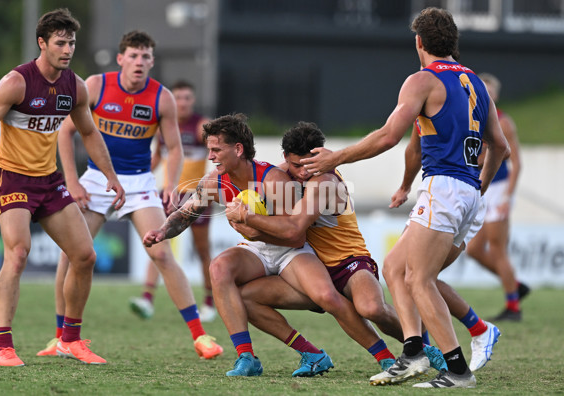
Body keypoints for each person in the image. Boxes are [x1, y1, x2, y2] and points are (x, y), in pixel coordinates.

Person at [301, 7, 509, 388]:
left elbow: (387, 136)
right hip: (466, 193)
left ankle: (457, 370)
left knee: (419, 279)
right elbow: (501, 146)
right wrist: (479, 185)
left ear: (419, 43)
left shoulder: (422, 80)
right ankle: (413, 352)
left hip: (444, 187)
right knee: (396, 268)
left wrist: (336, 157)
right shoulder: (476, 83)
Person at [143, 114, 393, 378]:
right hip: (259, 249)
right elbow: (185, 214)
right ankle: (253, 357)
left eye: (216, 150)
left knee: (327, 297)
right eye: (210, 150)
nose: (211, 157)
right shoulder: (213, 181)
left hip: (291, 251)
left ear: (238, 149)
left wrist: (250, 224)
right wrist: (162, 232)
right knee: (220, 268)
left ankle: (387, 358)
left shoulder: (273, 179)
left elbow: (294, 236)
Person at [35, 30, 223, 361]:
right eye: (133, 56)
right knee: (72, 255)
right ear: (121, 59)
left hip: (139, 184)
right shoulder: (96, 85)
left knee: (162, 255)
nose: (139, 62)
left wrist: (170, 184)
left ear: (152, 61)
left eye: (146, 57)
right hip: (95, 182)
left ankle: (200, 336)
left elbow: (175, 147)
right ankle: (59, 338)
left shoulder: (161, 97)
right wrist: (73, 182)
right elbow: (65, 133)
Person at [0, 8, 125, 367]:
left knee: (85, 256)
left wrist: (111, 175)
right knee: (18, 253)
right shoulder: (16, 82)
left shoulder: (75, 86)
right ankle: (2, 346)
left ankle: (70, 339)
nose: (67, 49)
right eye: (60, 43)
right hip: (13, 179)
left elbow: (89, 133)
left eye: (71, 43)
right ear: (42, 43)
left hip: (49, 181)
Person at [226, 122, 448, 375]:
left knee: (371, 308)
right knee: (246, 297)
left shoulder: (325, 181)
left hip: (347, 261)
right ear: (286, 157)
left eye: (308, 164)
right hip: (309, 264)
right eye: (296, 165)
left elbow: (293, 228)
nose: (301, 172)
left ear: (321, 155)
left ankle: (426, 348)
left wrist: (248, 218)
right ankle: (311, 353)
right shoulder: (278, 174)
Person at [391, 128, 501, 373]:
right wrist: (405, 187)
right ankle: (425, 350)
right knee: (408, 274)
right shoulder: (431, 102)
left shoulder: (465, 99)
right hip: (439, 193)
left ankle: (473, 335)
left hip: (451, 194)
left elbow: (500, 147)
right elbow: (414, 148)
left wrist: (478, 184)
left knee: (418, 278)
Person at [129, 80, 215, 322]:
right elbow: (155, 159)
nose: (183, 102)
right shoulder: (163, 127)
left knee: (202, 250)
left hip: (198, 198)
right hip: (169, 195)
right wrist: (134, 179)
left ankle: (209, 302)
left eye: (187, 98)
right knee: (158, 242)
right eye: (178, 98)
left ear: (193, 100)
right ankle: (146, 299)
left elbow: (219, 156)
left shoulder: (201, 127)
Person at [466, 73, 528, 321]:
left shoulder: (503, 122)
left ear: (496, 96)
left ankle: (513, 306)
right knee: (474, 250)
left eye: (490, 92)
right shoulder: (471, 119)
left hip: (498, 188)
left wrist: (507, 197)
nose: (486, 95)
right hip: (481, 188)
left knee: (498, 249)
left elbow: (516, 163)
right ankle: (515, 285)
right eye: (483, 90)